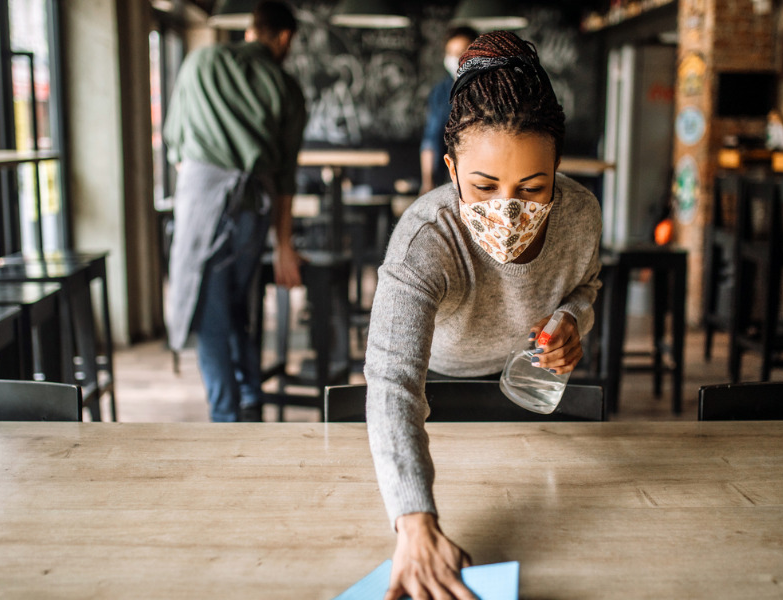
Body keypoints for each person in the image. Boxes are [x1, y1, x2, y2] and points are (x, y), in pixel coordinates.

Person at [365, 31, 603, 600]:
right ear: (451, 169)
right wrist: (414, 521)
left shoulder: (581, 214)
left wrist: (573, 317)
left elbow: (585, 285)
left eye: (533, 186)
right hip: (436, 400)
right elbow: (393, 380)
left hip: (531, 404)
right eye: (484, 185)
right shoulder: (425, 239)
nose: (507, 208)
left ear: (558, 170)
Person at [163, 1, 306, 422]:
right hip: (251, 211)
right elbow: (285, 178)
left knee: (209, 314)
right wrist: (284, 245)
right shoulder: (286, 86)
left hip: (202, 201)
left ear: (249, 30)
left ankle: (226, 415)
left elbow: (174, 142)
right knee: (238, 310)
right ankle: (248, 399)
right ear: (283, 37)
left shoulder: (201, 61)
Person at [419, 26, 478, 195]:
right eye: (451, 53)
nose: (456, 58)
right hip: (446, 178)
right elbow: (430, 139)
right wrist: (427, 182)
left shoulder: (491, 88)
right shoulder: (440, 92)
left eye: (461, 52)